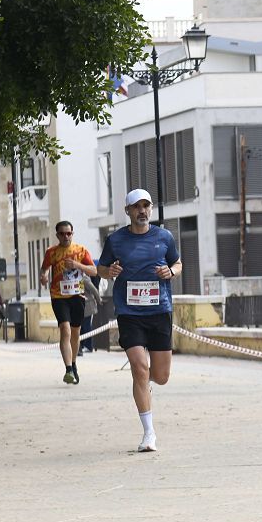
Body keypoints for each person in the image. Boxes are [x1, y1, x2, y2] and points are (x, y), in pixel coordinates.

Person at [97, 189, 182, 453]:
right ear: (128, 211)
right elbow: (101, 268)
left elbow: (178, 264)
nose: (142, 211)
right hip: (129, 313)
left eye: (146, 206)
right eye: (136, 206)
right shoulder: (115, 240)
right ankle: (149, 433)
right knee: (139, 367)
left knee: (161, 376)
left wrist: (170, 271)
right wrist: (109, 271)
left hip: (159, 311)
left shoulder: (164, 237)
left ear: (151, 208)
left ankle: (145, 385)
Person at [39, 221, 96, 384]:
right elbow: (44, 269)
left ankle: (74, 363)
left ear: (72, 234)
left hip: (77, 296)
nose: (66, 236)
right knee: (65, 329)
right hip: (59, 296)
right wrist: (43, 277)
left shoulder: (81, 250)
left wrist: (77, 265)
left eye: (68, 233)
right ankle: (68, 369)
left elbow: (94, 271)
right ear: (57, 235)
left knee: (75, 333)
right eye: (62, 234)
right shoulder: (51, 252)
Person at [79, 276, 102, 356]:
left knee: (86, 326)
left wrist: (99, 299)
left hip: (88, 306)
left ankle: (88, 346)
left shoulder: (84, 278)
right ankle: (81, 345)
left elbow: (94, 290)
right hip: (80, 306)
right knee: (81, 327)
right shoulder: (76, 279)